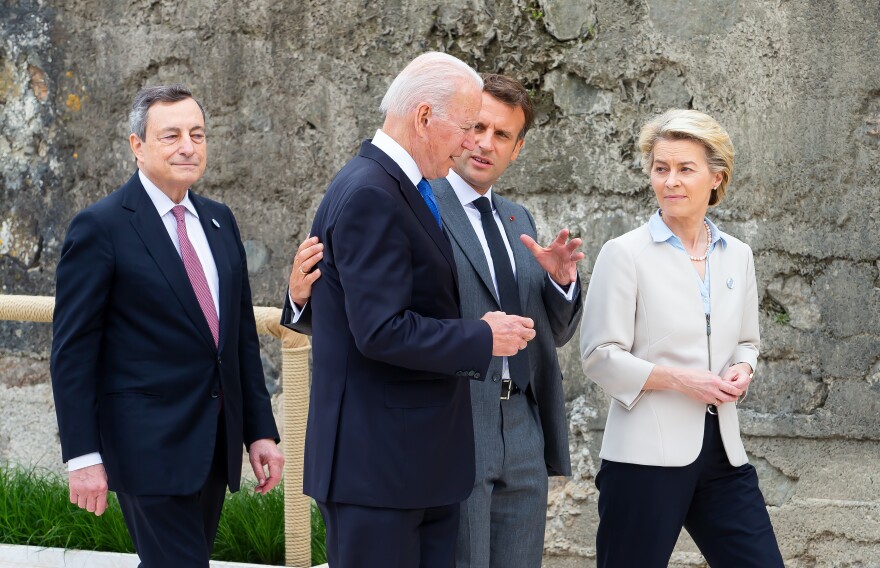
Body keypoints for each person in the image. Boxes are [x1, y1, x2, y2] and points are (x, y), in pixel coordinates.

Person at [281, 53, 537, 568]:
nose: (471, 143)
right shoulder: (371, 193)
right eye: (467, 127)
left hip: (412, 468)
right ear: (424, 117)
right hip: (379, 472)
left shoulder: (398, 189)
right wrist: (482, 338)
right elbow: (380, 330)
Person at [50, 85, 283, 568]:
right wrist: (81, 457)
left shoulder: (220, 221)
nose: (187, 147)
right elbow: (72, 351)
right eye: (171, 135)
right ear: (138, 146)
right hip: (144, 449)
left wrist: (260, 431)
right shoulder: (101, 227)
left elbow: (238, 339)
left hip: (213, 446)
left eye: (197, 134)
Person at [579, 109, 784, 567]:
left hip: (723, 456)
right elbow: (598, 356)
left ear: (716, 177)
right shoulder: (624, 253)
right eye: (661, 168)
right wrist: (681, 381)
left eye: (685, 169)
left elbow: (748, 340)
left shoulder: (739, 255)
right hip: (643, 458)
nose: (670, 181)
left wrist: (743, 366)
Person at [430, 74, 583, 568]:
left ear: (517, 150)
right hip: (456, 415)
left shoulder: (518, 219)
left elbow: (549, 333)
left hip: (522, 424)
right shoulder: (421, 205)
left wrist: (559, 283)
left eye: (502, 136)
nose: (484, 143)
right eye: (477, 126)